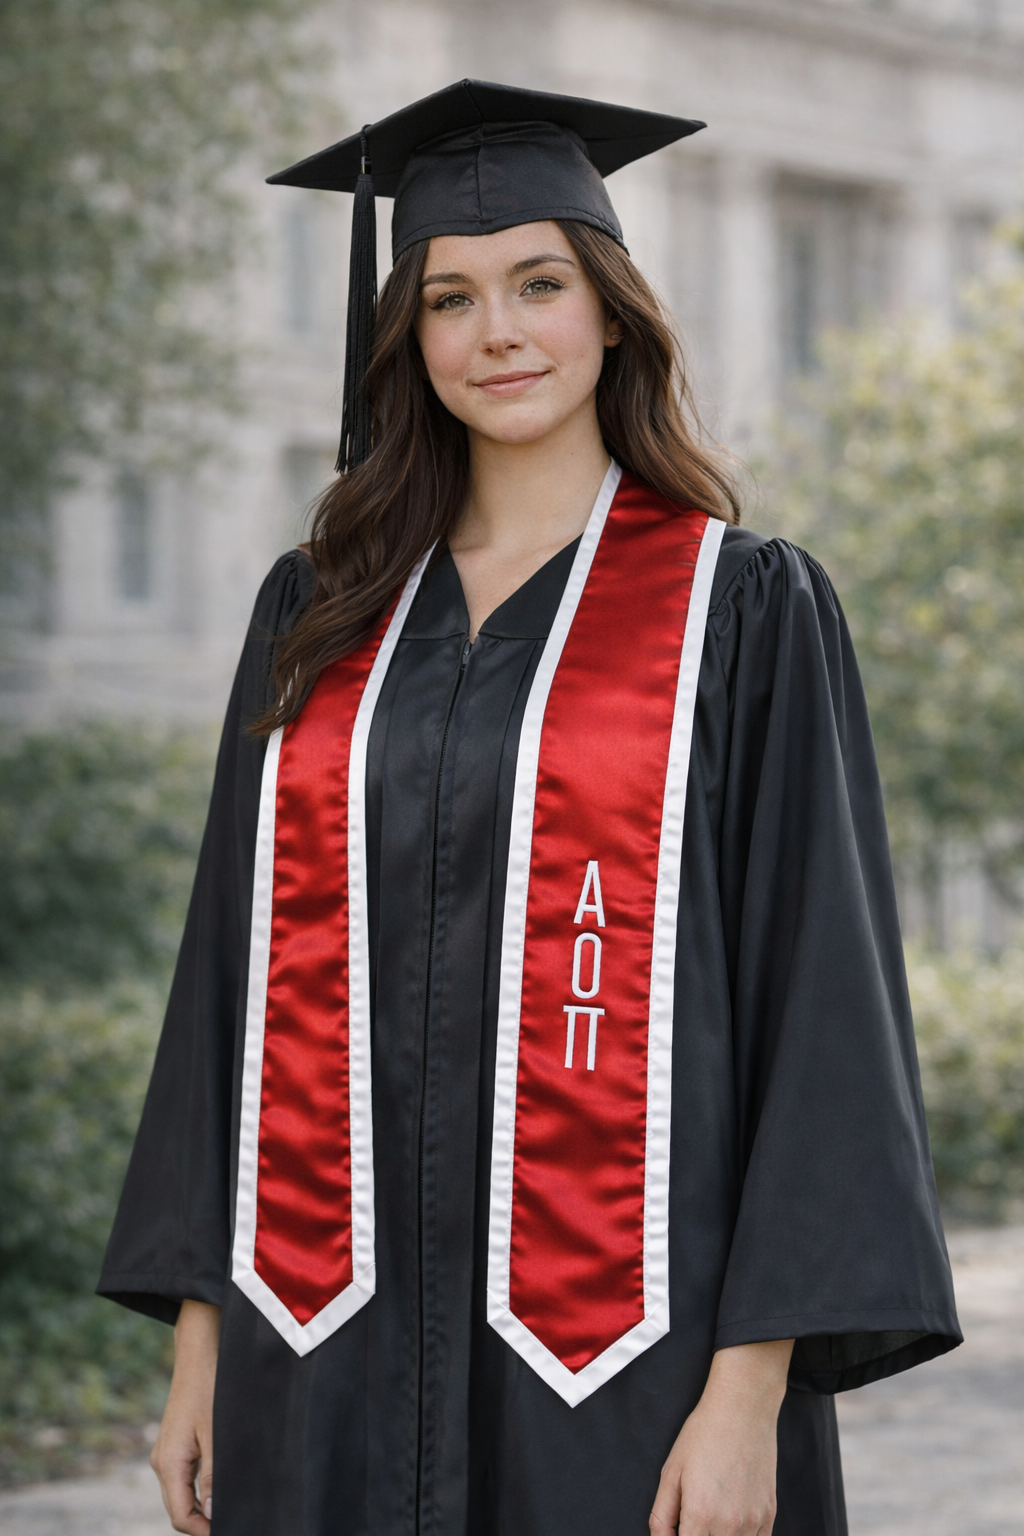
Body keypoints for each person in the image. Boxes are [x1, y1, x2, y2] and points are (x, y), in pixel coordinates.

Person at [99, 80, 960, 1536]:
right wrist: (205, 1344)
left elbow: (823, 1013)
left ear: (613, 309)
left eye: (540, 284)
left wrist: (749, 1399)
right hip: (326, 1344)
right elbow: (229, 990)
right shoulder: (317, 616)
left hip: (632, 1363)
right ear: (407, 337)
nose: (497, 331)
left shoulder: (739, 611)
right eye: (449, 298)